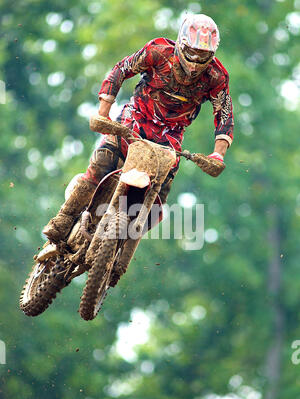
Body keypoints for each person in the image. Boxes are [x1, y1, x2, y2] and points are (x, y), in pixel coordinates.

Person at [43, 13, 234, 242]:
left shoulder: (216, 76)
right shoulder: (158, 51)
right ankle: (64, 216)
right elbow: (122, 69)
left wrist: (218, 154)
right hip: (134, 119)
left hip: (170, 138)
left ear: (212, 54)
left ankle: (124, 243)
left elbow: (224, 112)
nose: (195, 61)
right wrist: (104, 112)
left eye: (202, 55)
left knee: (159, 198)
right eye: (192, 52)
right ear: (181, 45)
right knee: (103, 160)